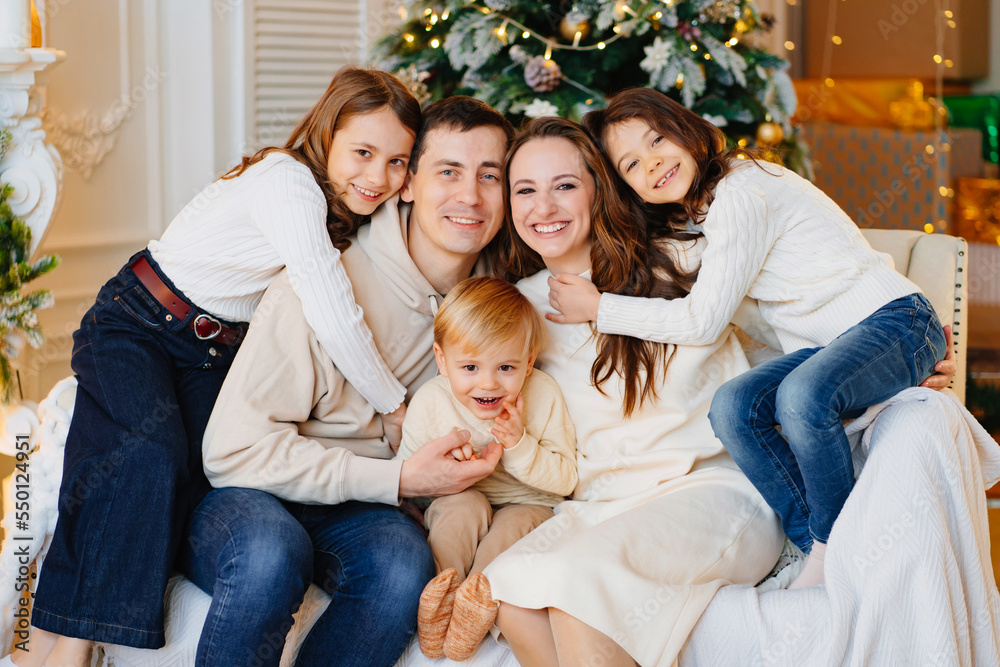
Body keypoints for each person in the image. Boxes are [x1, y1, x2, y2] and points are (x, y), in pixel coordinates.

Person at [9, 67, 421, 667]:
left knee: (201, 470)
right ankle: (68, 646)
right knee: (148, 456)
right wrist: (394, 403)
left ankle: (53, 637)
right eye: (363, 152)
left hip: (212, 350)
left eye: (398, 162)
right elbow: (333, 312)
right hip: (140, 321)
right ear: (327, 134)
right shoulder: (290, 183)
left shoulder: (348, 209)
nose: (378, 177)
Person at [533, 86, 951, 588]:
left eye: (658, 139)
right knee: (733, 407)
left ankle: (836, 544)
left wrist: (599, 308)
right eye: (631, 164)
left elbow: (702, 321)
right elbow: (740, 314)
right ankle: (816, 544)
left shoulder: (741, 190)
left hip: (892, 321)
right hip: (835, 348)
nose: (652, 163)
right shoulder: (700, 217)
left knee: (801, 397)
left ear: (685, 127)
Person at [190, 97, 516, 667]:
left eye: (490, 176)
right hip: (255, 494)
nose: (471, 196)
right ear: (407, 184)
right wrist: (395, 478)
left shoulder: (494, 303)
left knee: (400, 569)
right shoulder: (320, 290)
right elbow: (232, 453)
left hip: (360, 508)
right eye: (449, 172)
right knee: (270, 553)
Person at [458, 116, 784, 667]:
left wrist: (889, 357)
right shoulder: (520, 307)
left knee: (578, 595)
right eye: (525, 191)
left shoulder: (682, 262)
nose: (544, 208)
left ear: (597, 188)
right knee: (512, 595)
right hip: (602, 505)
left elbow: (791, 324)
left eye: (564, 185)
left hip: (710, 491)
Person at [394, 276, 577, 661]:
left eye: (506, 366)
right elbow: (406, 481)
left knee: (513, 526)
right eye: (471, 367)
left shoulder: (542, 394)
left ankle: (478, 597)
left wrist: (518, 444)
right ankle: (440, 594)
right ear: (442, 360)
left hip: (528, 501)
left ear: (528, 363)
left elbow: (564, 480)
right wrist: (445, 474)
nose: (488, 383)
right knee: (461, 509)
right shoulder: (430, 403)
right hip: (460, 497)